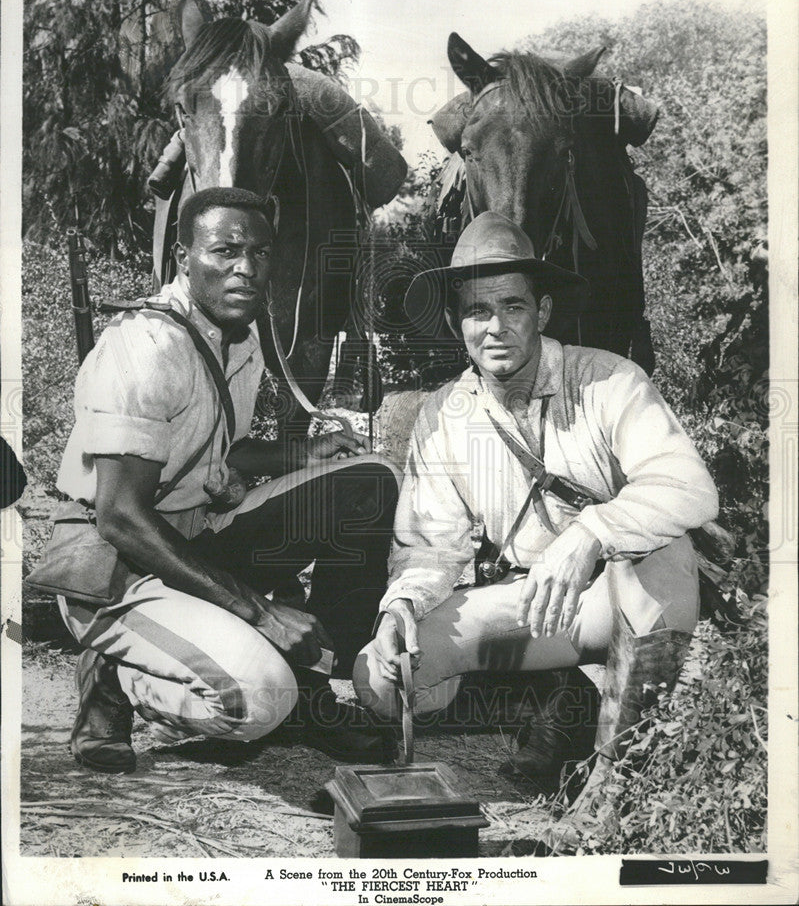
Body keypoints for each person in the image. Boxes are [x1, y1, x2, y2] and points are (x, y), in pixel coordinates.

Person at [353, 211, 718, 830]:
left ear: (542, 312)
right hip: (531, 608)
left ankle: (616, 781)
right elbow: (430, 549)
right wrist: (401, 609)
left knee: (665, 554)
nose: (495, 328)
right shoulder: (444, 413)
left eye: (513, 307)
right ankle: (562, 695)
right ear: (455, 322)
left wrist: (590, 535)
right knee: (381, 680)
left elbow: (689, 485)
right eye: (477, 311)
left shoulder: (607, 379)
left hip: (616, 596)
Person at [53, 186, 399, 773]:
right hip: (118, 562)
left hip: (194, 533)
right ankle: (123, 673)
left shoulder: (238, 329)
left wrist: (304, 452)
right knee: (257, 699)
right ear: (182, 258)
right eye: (225, 251)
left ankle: (316, 680)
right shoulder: (146, 345)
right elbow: (120, 515)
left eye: (261, 253)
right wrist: (260, 614)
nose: (247, 268)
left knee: (372, 479)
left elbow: (217, 450)